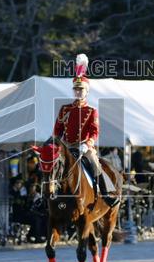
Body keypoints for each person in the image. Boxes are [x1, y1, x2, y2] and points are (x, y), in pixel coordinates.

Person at [49, 53, 117, 207]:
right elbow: (57, 130)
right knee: (50, 164)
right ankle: (44, 197)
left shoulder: (92, 111)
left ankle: (106, 194)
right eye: (76, 90)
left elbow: (94, 131)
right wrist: (54, 143)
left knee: (94, 162)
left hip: (84, 146)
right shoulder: (65, 109)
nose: (78, 92)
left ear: (87, 91)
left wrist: (87, 144)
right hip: (66, 146)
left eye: (81, 90)